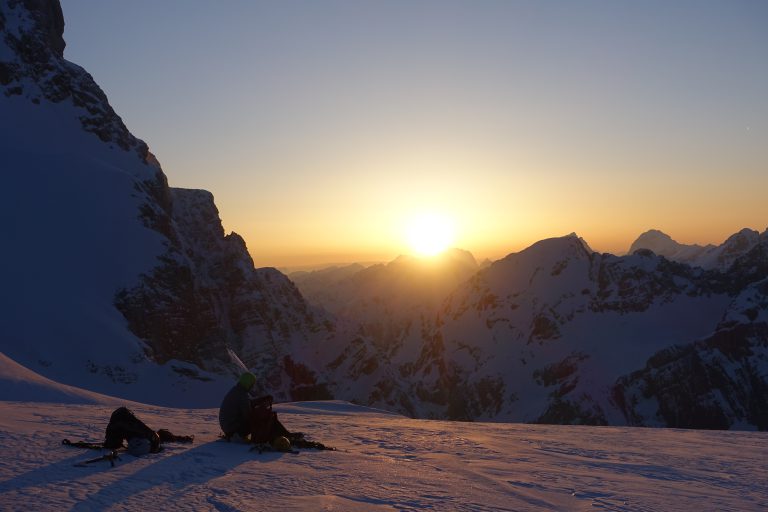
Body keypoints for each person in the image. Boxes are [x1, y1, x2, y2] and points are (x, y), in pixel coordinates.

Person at [218, 372, 298, 444]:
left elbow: (247, 404)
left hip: (229, 428)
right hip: (234, 430)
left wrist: (262, 400)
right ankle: (284, 435)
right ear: (248, 384)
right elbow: (248, 415)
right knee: (268, 418)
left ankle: (284, 435)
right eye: (252, 384)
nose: (252, 387)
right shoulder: (242, 395)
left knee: (265, 418)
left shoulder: (236, 391)